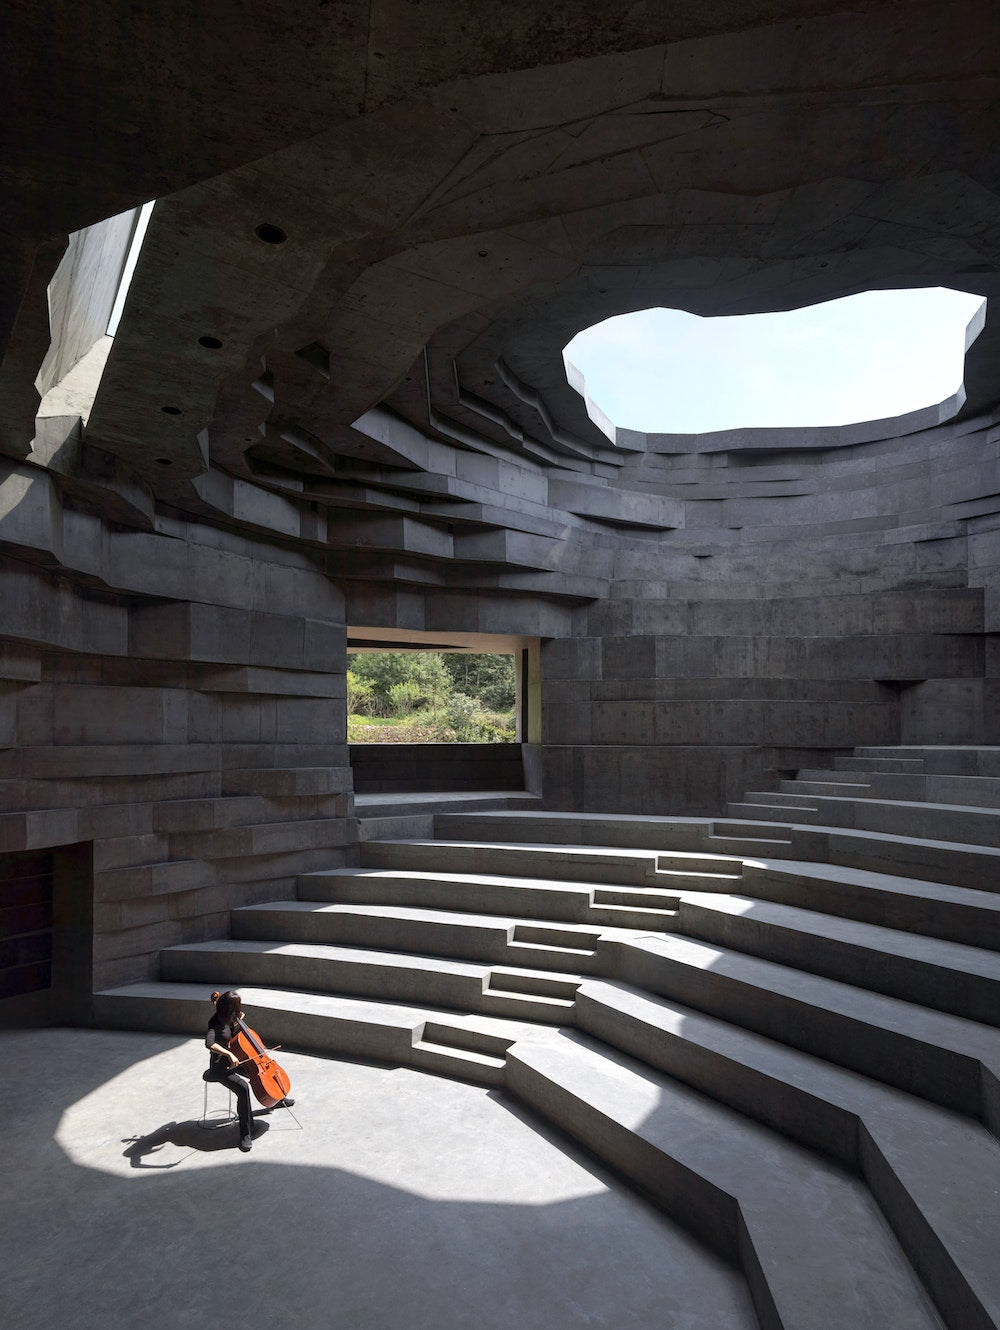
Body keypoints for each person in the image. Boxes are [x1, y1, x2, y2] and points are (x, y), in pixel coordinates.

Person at [205, 990, 294, 1152]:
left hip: (238, 1062)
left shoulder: (231, 1016)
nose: (238, 1010)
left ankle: (278, 1097)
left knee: (260, 1071)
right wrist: (229, 1054)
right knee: (243, 1089)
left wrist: (238, 1022)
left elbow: (234, 1033)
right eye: (235, 1006)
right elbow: (209, 1043)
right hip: (220, 1067)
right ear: (226, 1007)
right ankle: (245, 1133)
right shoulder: (215, 1022)